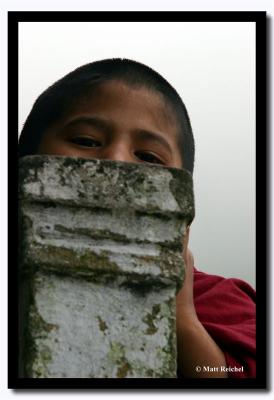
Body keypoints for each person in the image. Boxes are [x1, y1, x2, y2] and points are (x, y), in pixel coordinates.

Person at [18, 58, 256, 378]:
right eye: (86, 141)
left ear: (183, 202)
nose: (117, 162)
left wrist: (182, 317)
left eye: (148, 157)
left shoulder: (218, 299)